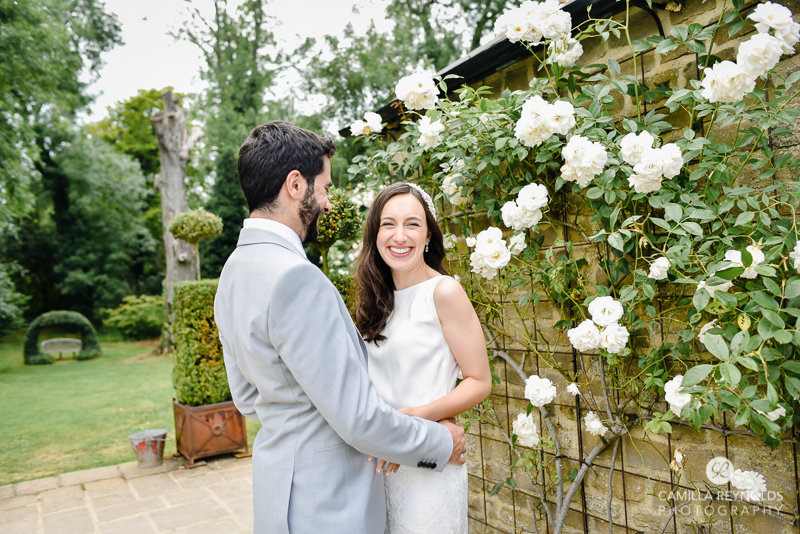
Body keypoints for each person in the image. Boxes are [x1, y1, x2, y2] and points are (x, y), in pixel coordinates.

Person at [214, 121, 466, 534]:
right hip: (327, 503)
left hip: (279, 491)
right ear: (296, 185)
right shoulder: (297, 278)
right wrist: (440, 443)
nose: (329, 203)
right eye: (326, 187)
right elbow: (357, 419)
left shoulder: (233, 272)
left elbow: (245, 397)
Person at [355, 182, 492, 533]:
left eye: (412, 224)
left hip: (429, 465)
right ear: (375, 233)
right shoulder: (374, 301)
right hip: (380, 467)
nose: (400, 236)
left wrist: (421, 417)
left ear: (428, 233)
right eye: (389, 224)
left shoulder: (444, 291)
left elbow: (479, 381)